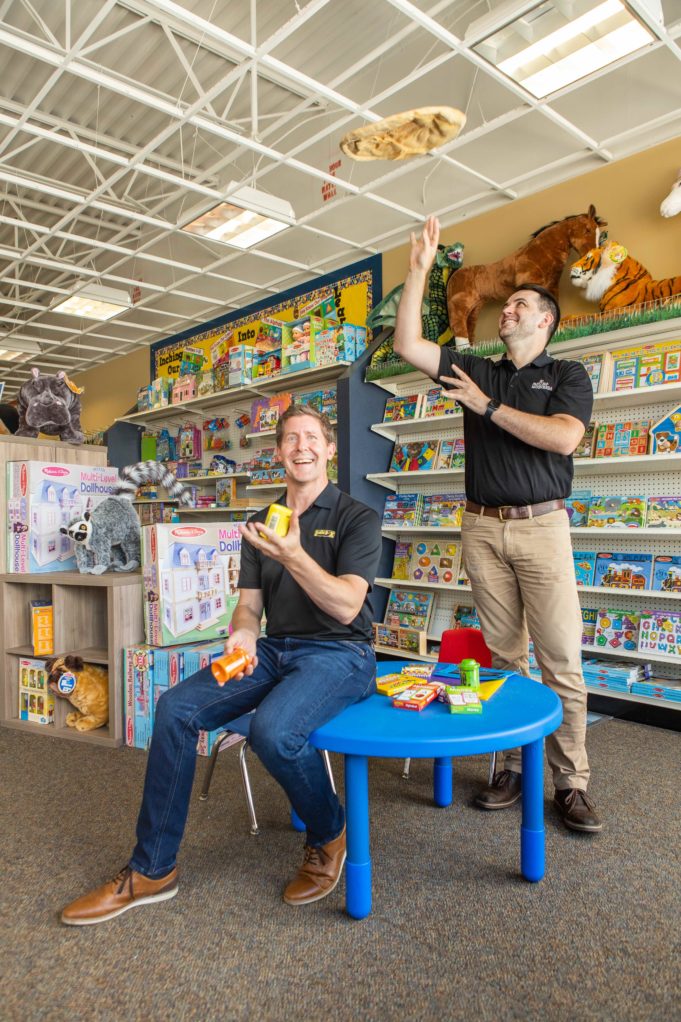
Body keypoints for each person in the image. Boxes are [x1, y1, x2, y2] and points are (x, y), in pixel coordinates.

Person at [61, 405, 382, 925]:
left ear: (328, 449)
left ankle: (328, 833)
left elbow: (347, 606)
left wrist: (296, 555)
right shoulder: (258, 524)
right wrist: (244, 633)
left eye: (311, 438)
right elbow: (249, 604)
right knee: (174, 707)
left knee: (274, 732)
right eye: (290, 439)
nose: (301, 446)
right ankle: (152, 870)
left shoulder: (356, 518)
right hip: (274, 650)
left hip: (342, 652)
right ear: (278, 452)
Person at [393, 215, 602, 834]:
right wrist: (419, 269)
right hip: (481, 529)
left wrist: (488, 408)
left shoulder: (566, 376)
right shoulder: (476, 367)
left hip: (542, 528)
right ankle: (510, 767)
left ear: (544, 319)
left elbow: (563, 439)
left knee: (561, 660)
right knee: (505, 661)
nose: (505, 309)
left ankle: (571, 784)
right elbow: (407, 344)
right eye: (505, 303)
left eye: (517, 304)